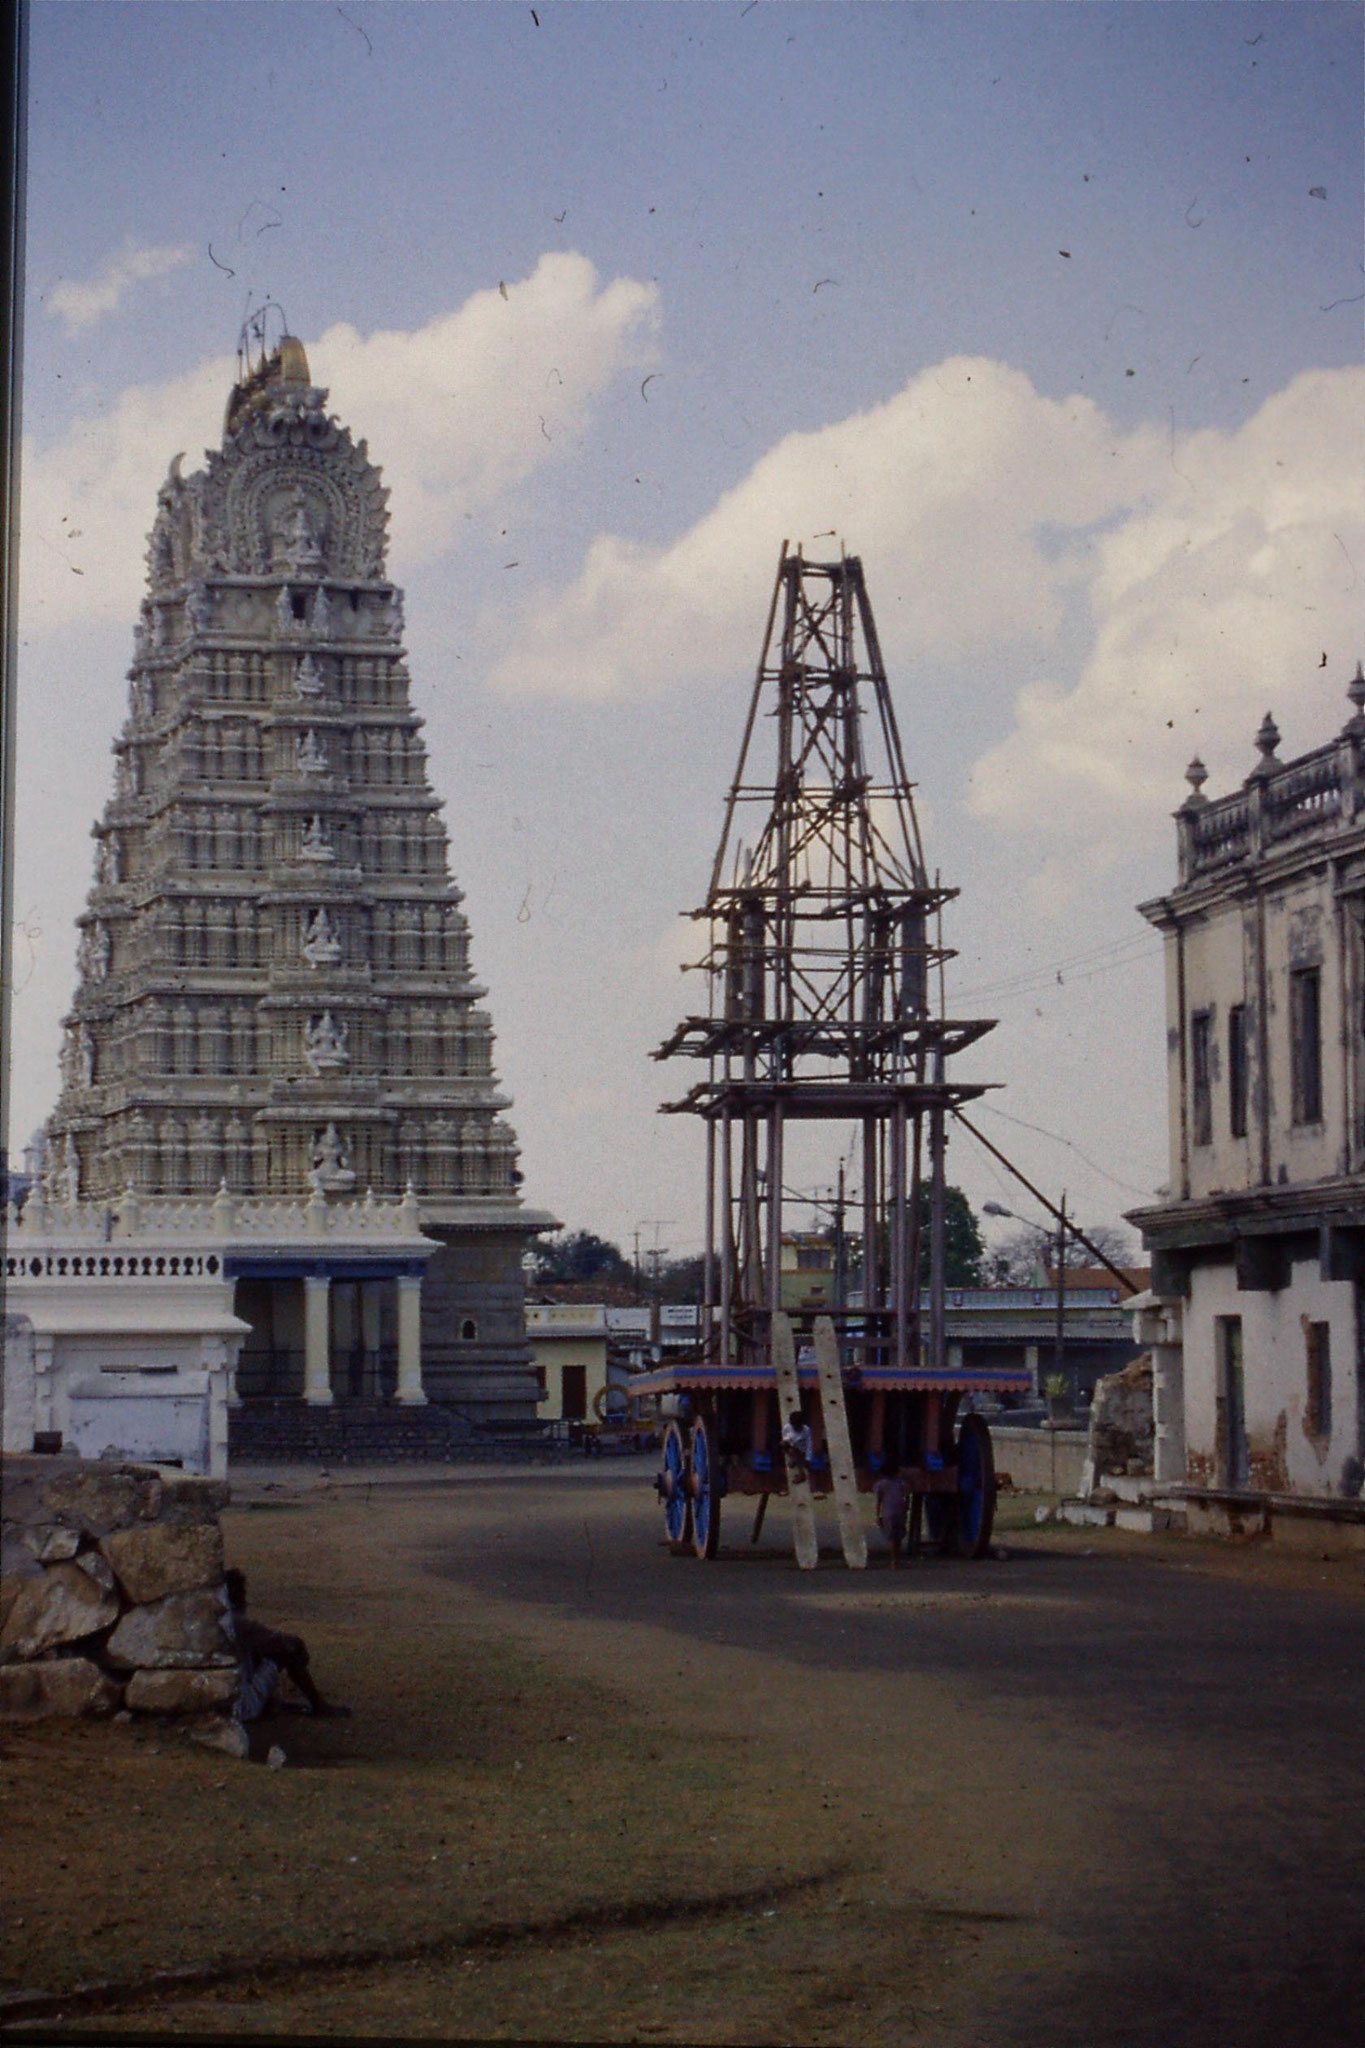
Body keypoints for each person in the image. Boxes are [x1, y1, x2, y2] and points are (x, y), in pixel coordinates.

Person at [222, 1567, 346, 1722]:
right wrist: (299, 1651)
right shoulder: (238, 1623)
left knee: (256, 1652)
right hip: (241, 1708)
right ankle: (319, 1705)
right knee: (286, 1653)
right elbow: (286, 1643)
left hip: (222, 1703)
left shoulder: (217, 1619)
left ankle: (272, 1703)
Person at [873, 1456, 912, 1567]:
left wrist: (877, 1514)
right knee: (898, 1535)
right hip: (900, 1511)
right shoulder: (901, 1483)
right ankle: (897, 1558)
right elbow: (907, 1494)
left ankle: (893, 1559)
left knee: (890, 1536)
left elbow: (879, 1500)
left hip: (887, 1512)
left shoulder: (881, 1484)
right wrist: (907, 1507)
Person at [781, 1407, 814, 1475]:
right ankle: (793, 1459)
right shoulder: (787, 1427)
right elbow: (785, 1437)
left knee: (794, 1452)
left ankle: (801, 1473)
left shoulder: (806, 1430)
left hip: (801, 1449)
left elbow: (809, 1444)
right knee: (784, 1445)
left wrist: (808, 1458)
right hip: (791, 1445)